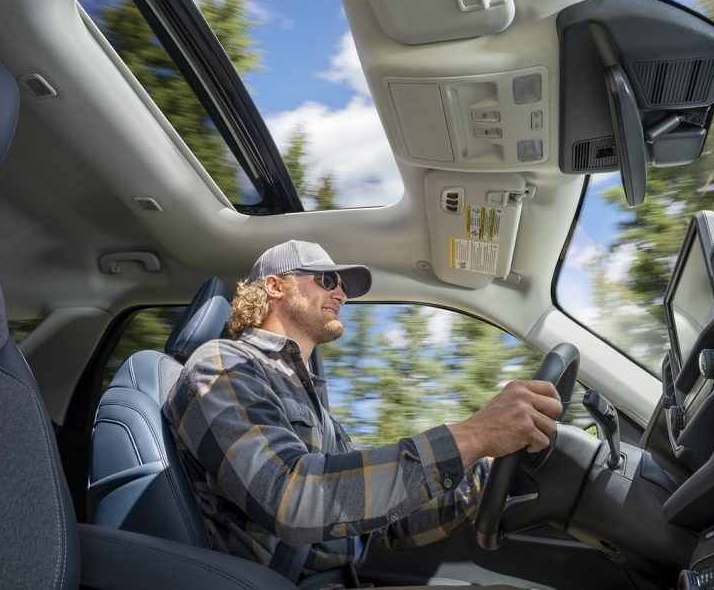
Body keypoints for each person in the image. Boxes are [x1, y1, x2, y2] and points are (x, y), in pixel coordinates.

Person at [165, 240, 562, 588]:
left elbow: (388, 524)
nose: (341, 293)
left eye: (343, 286)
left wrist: (484, 467)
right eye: (327, 280)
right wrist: (472, 435)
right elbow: (289, 498)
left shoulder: (314, 406)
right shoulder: (221, 367)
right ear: (274, 286)